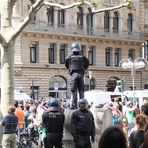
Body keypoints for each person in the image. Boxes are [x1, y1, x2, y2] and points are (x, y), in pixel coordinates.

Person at [65, 42, 89, 109]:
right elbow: (87, 65)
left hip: (74, 75)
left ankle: (74, 106)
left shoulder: (69, 57)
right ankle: (82, 106)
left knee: (74, 91)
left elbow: (67, 66)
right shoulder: (83, 57)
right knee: (81, 91)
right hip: (81, 75)